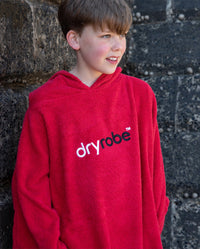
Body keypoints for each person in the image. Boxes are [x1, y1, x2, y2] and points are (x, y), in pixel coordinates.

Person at [12, 0, 169, 248]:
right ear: (74, 40)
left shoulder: (139, 94)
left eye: (122, 34)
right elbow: (31, 190)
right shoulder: (46, 104)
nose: (118, 45)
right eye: (106, 35)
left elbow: (155, 175)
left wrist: (151, 230)